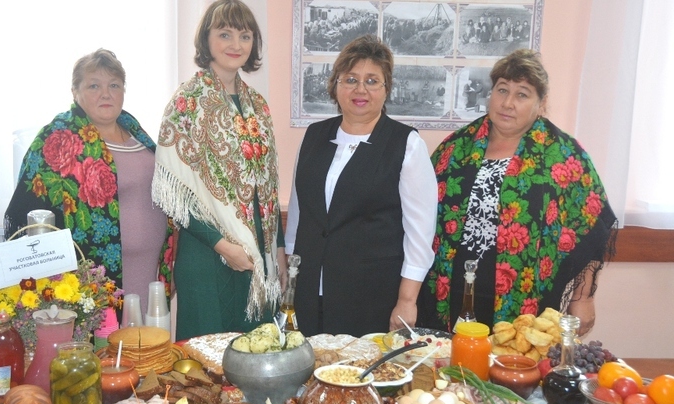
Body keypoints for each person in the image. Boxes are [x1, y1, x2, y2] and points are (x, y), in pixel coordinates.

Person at [415, 49, 617, 335]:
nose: (508, 103)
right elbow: (419, 216)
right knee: (452, 362)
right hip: (450, 291)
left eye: (522, 94)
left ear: (541, 103)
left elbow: (591, 226)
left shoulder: (563, 154)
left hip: (526, 298)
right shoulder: (455, 147)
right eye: (502, 90)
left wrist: (583, 298)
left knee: (513, 361)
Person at [284, 35, 437, 337]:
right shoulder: (313, 136)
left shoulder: (406, 144)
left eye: (372, 81)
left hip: (372, 296)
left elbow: (420, 234)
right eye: (351, 79)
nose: (360, 89)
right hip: (309, 291)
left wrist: (407, 301)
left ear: (386, 88)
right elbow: (299, 212)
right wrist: (290, 277)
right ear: (336, 85)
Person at [152, 0, 286, 341]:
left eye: (245, 36)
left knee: (258, 354)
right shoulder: (187, 101)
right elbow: (174, 191)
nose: (235, 44)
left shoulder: (258, 106)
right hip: (207, 254)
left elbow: (267, 189)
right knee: (207, 361)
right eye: (225, 34)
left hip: (257, 256)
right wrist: (224, 247)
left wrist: (279, 252)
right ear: (206, 40)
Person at [4, 49, 170, 318]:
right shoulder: (57, 138)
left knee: (147, 341)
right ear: (75, 92)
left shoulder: (136, 131)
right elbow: (28, 209)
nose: (106, 94)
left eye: (114, 85)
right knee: (107, 342)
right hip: (95, 279)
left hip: (149, 268)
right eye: (94, 86)